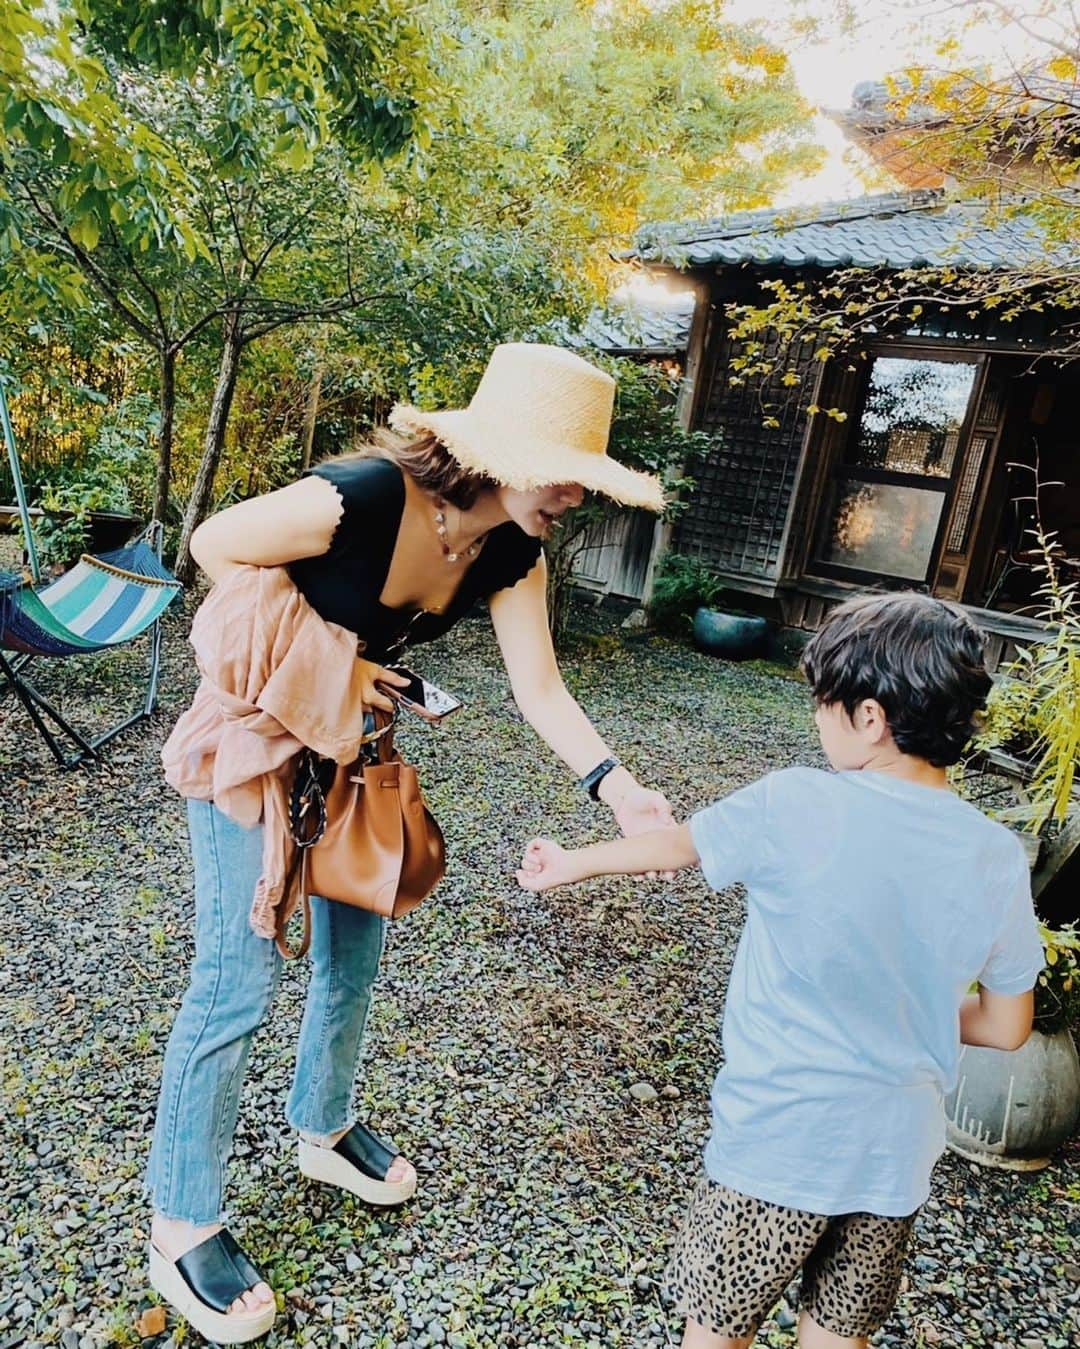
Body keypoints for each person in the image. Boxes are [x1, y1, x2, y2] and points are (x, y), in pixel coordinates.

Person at [145, 342, 673, 1343]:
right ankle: (180, 1223)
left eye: (585, 479)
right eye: (562, 469)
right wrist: (330, 667)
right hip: (253, 739)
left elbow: (542, 688)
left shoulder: (513, 548)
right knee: (235, 976)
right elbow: (213, 542)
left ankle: (324, 1125)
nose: (572, 494)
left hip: (356, 756)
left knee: (355, 953)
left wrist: (617, 786)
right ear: (499, 452)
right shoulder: (358, 497)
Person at [517, 592, 1045, 1349]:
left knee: (718, 1332)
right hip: (893, 1158)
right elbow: (1007, 1023)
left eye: (823, 704)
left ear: (870, 718)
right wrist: (917, 1011)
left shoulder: (796, 803)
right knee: (837, 1335)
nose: (816, 719)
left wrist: (573, 863)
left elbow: (676, 847)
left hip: (777, 1143)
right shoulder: (995, 854)